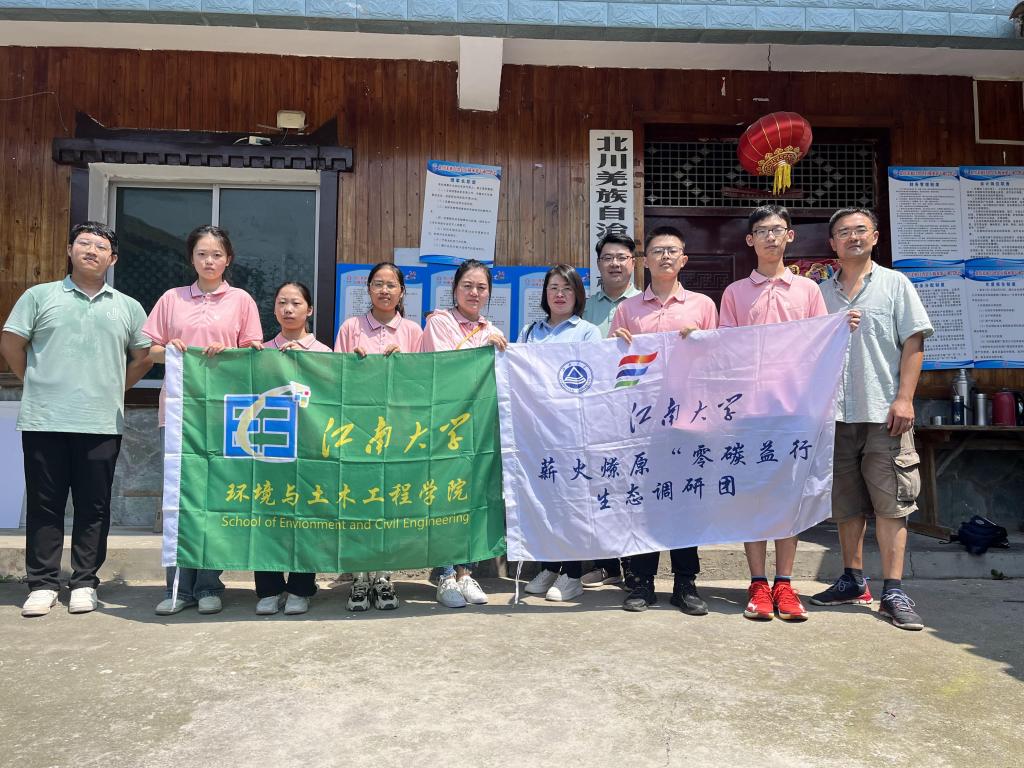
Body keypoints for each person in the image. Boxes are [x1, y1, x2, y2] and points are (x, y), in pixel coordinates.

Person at [1, 222, 152, 617]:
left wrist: (116, 388)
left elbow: (143, 357)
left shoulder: (127, 306)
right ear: (69, 250)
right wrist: (33, 382)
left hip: (100, 421)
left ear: (112, 259)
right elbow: (12, 343)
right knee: (45, 504)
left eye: (100, 247)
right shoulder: (40, 296)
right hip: (45, 419)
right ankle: (43, 583)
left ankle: (84, 581)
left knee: (94, 506)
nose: (91, 251)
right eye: (83, 243)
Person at [810, 208, 932, 631]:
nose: (853, 237)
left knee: (891, 503)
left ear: (875, 236)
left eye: (860, 230)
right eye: (843, 232)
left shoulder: (896, 284)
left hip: (884, 413)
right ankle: (852, 578)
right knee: (845, 505)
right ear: (832, 244)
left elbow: (914, 343)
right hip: (835, 416)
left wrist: (905, 399)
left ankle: (893, 590)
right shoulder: (820, 294)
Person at [143, 225, 263, 617]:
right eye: (202, 254)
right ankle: (177, 587)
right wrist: (170, 349)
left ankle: (210, 584)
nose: (209, 261)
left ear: (228, 259)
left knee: (215, 499)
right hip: (179, 412)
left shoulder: (241, 300)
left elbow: (254, 352)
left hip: (224, 414)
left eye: (216, 254)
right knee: (180, 500)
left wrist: (229, 352)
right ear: (191, 258)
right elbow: (149, 350)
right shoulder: (172, 298)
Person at [720, 205, 832, 622]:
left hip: (795, 409)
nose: (770, 237)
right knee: (753, 492)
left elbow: (822, 344)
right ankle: (756, 582)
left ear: (790, 236)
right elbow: (725, 350)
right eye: (762, 231)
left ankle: (784, 583)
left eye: (778, 230)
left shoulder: (808, 291)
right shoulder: (735, 293)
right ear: (750, 240)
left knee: (789, 493)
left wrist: (843, 328)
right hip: (750, 410)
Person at [609, 225, 718, 616]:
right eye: (657, 251)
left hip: (689, 417)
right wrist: (615, 345)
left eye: (672, 251)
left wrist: (702, 340)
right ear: (646, 261)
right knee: (645, 502)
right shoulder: (628, 309)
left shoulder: (703, 306)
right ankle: (642, 582)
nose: (665, 257)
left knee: (686, 500)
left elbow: (720, 360)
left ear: (683, 259)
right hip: (643, 422)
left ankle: (686, 584)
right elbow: (613, 367)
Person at [334, 262, 423, 612]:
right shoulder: (350, 327)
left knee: (390, 503)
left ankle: (384, 576)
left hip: (397, 431)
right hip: (357, 430)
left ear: (402, 292)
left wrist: (406, 364)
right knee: (358, 501)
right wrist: (351, 364)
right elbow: (334, 379)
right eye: (378, 284)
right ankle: (359, 576)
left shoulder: (413, 331)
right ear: (368, 289)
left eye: (391, 285)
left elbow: (422, 384)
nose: (384, 290)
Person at [419, 258, 507, 608]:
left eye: (481, 287)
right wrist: (485, 348)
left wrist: (498, 348)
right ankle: (443, 574)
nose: (474, 292)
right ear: (454, 289)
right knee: (442, 495)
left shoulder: (491, 329)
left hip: (477, 427)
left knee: (471, 496)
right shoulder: (438, 322)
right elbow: (448, 366)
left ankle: (465, 573)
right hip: (442, 425)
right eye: (467, 286)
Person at [516, 265, 601, 602]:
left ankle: (572, 574)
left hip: (572, 432)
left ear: (577, 294)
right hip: (537, 432)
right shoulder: (529, 332)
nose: (560, 294)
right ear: (545, 294)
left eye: (566, 288)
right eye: (553, 287)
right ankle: (550, 567)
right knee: (544, 501)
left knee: (572, 503)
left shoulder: (588, 333)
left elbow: (593, 380)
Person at [254, 281, 331, 617]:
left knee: (307, 516)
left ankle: (301, 587)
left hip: (310, 448)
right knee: (266, 512)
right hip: (269, 447)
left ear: (309, 309)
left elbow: (331, 397)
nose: (288, 309)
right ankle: (268, 588)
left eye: (296, 303)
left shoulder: (324, 353)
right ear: (274, 309)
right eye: (282, 302)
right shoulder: (260, 351)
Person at [580, 233, 641, 589]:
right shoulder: (585, 307)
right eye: (607, 257)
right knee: (601, 483)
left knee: (632, 485)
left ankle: (634, 564)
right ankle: (606, 564)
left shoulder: (644, 304)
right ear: (599, 263)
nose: (615, 264)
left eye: (621, 257)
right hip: (594, 409)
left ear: (633, 262)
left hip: (634, 410)